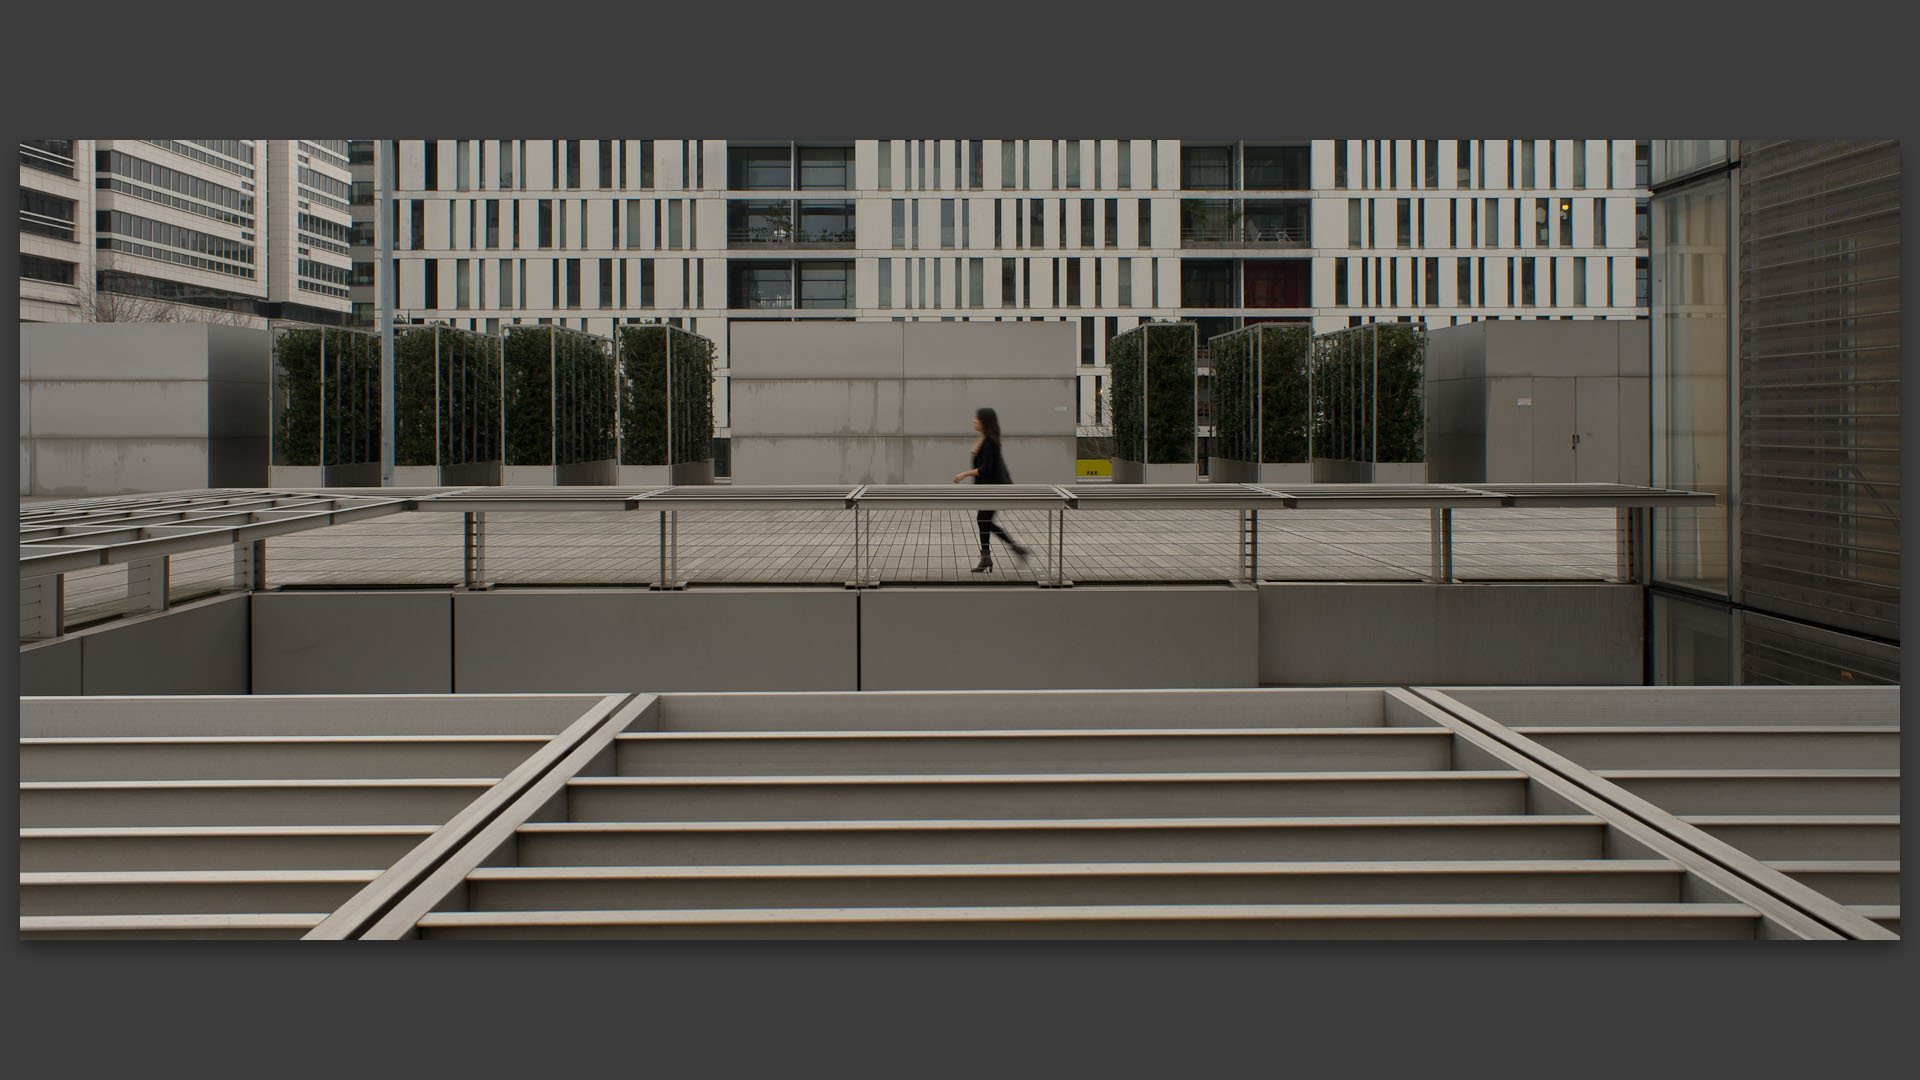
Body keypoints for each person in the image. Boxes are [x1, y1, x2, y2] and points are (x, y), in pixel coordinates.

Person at [952, 406, 1030, 573]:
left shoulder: (989, 442)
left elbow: (985, 469)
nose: (974, 421)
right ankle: (991, 557)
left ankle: (1004, 553)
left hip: (995, 489)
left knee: (983, 520)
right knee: (984, 520)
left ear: (984, 422)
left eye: (977, 419)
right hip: (990, 488)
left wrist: (964, 474)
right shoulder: (986, 439)